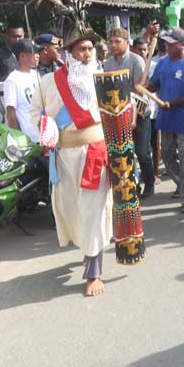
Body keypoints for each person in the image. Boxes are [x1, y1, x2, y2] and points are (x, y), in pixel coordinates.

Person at [29, 27, 112, 297]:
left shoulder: (103, 78)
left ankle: (93, 272)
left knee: (92, 211)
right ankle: (88, 251)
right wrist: (45, 126)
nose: (87, 54)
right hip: (63, 156)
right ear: (70, 53)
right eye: (81, 49)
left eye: (90, 49)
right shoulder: (48, 82)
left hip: (94, 153)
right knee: (71, 209)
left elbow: (119, 112)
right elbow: (35, 113)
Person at [103, 28, 156, 198]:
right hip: (118, 115)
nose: (113, 45)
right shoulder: (108, 63)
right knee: (125, 152)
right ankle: (133, 185)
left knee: (141, 151)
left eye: (117, 41)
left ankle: (150, 182)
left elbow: (140, 90)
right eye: (111, 42)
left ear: (127, 43)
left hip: (139, 113)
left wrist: (130, 109)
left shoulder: (136, 61)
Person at [148, 27, 184, 213]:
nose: (166, 45)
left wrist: (172, 102)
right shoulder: (162, 62)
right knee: (167, 157)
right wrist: (145, 87)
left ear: (182, 44)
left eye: (171, 43)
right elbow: (154, 85)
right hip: (165, 120)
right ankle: (182, 184)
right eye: (165, 42)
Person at [3, 39, 40, 144]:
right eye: (34, 53)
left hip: (45, 135)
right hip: (31, 139)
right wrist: (18, 139)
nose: (38, 55)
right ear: (22, 56)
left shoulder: (35, 74)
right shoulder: (12, 80)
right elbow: (11, 114)